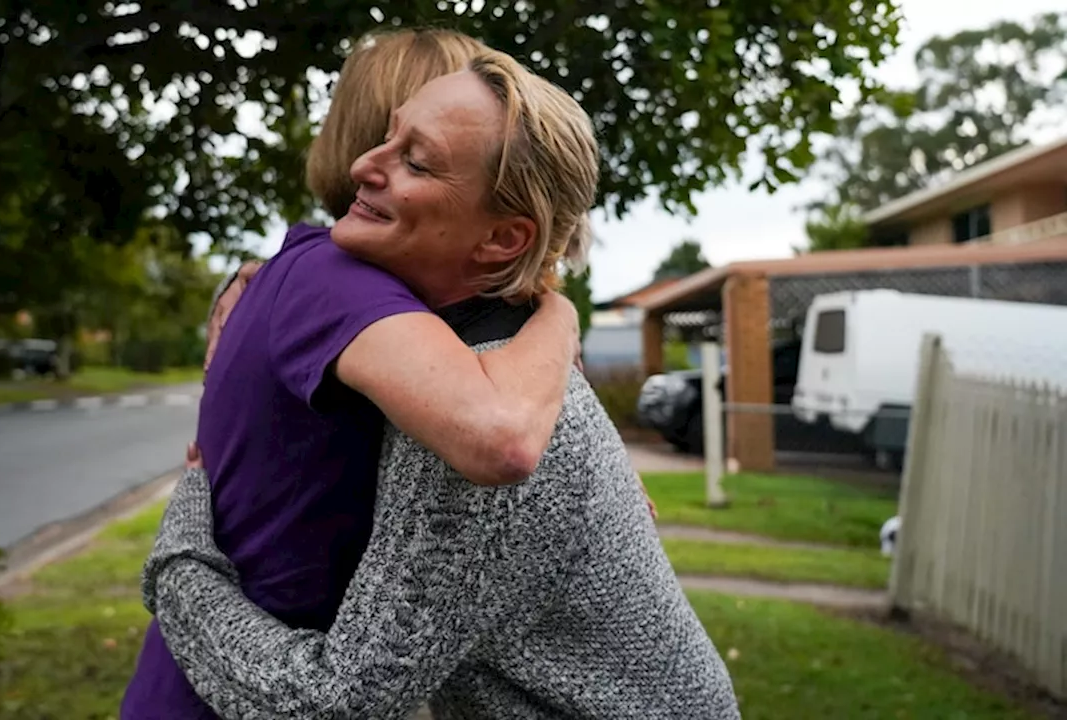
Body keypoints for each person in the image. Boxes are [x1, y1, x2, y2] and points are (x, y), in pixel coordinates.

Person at [143, 50, 740, 719]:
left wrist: (182, 547)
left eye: (417, 161)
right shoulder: (488, 357)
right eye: (385, 135)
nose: (362, 166)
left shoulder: (469, 428)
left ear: (503, 239)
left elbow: (327, 705)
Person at [119, 29, 584, 719]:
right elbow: (502, 434)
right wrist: (560, 309)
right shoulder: (340, 285)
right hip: (240, 689)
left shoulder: (302, 274)